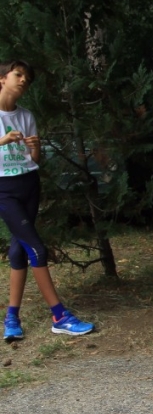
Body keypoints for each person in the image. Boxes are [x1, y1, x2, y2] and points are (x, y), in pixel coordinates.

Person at [1, 60, 96, 342]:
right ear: (2, 79)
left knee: (18, 251)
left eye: (27, 79)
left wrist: (35, 147)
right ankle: (59, 316)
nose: (23, 81)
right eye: (18, 75)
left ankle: (11, 318)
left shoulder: (26, 115)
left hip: (29, 184)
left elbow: (35, 160)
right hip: (4, 190)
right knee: (37, 249)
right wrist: (3, 140)